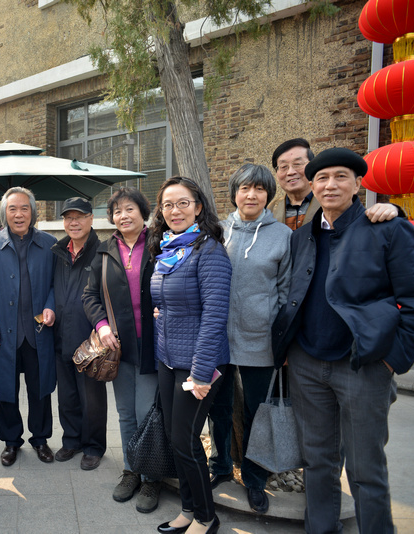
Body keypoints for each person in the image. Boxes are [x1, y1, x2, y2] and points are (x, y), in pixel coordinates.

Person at [271, 148, 414, 534]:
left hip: (363, 365)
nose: (331, 185)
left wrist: (393, 360)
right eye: (322, 178)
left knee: (365, 469)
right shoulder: (304, 237)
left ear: (358, 184)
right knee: (318, 462)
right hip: (308, 363)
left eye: (341, 176)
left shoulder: (388, 229)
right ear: (312, 186)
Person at [149, 177, 231, 534]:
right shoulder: (169, 249)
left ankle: (206, 517)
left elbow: (215, 314)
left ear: (198, 207)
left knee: (185, 440)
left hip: (197, 364)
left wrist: (200, 373)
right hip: (168, 359)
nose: (174, 211)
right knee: (175, 438)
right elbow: (168, 302)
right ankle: (188, 508)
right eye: (168, 204)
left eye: (183, 203)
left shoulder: (209, 250)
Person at [207, 165, 291, 514]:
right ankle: (221, 466)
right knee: (219, 408)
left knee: (258, 411)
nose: (251, 195)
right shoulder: (216, 231)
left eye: (259, 189)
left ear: (269, 194)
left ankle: (256, 480)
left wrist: (283, 340)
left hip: (261, 341)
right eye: (244, 188)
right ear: (234, 193)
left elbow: (286, 293)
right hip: (217, 340)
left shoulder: (282, 235)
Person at [82, 187, 160, 513]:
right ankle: (131, 472)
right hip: (119, 348)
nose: (123, 216)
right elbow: (90, 296)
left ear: (143, 213)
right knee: (126, 414)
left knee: (147, 414)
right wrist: (102, 327)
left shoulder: (160, 244)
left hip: (154, 347)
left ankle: (152, 477)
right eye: (117, 211)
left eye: (129, 209)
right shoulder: (104, 251)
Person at [0, 187, 57, 466]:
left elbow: (58, 284)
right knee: (5, 389)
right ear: (4, 213)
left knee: (40, 389)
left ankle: (41, 439)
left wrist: (51, 305)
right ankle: (11, 441)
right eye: (12, 209)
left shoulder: (49, 244)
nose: (19, 214)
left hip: (38, 332)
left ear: (33, 212)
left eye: (24, 208)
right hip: (2, 331)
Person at [50, 197, 106, 470]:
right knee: (67, 396)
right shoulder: (58, 251)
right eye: (68, 217)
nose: (74, 222)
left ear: (91, 218)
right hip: (61, 335)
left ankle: (93, 446)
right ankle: (71, 440)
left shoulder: (103, 251)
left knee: (92, 399)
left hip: (91, 339)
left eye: (80, 216)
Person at [269, 138, 398, 229]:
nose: (290, 172)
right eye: (283, 167)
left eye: (297, 164)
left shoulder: (333, 200)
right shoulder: (269, 209)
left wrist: (393, 209)